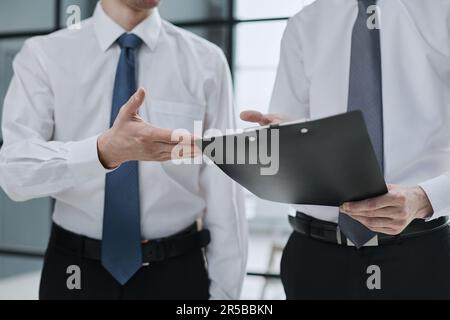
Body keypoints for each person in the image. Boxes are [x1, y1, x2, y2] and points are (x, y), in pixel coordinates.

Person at [0, 0, 247, 300]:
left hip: (177, 271)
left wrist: (226, 297)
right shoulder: (44, 55)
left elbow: (225, 191)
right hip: (75, 272)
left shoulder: (206, 61)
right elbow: (15, 173)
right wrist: (102, 152)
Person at [241, 0, 450, 299]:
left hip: (420, 256)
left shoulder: (441, 12)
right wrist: (289, 136)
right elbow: (286, 126)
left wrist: (426, 197)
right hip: (314, 257)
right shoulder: (305, 23)